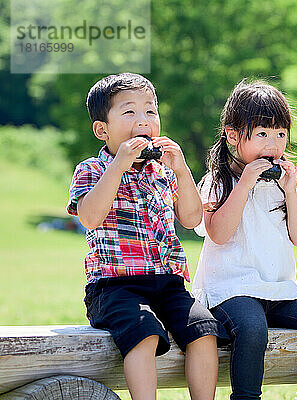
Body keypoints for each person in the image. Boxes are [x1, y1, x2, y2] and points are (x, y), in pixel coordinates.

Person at [67, 73, 226, 400]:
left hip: (167, 283)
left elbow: (192, 218)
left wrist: (182, 170)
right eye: (129, 112)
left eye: (150, 111)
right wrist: (120, 165)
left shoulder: (164, 172)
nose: (142, 119)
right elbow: (90, 216)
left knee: (204, 331)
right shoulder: (92, 170)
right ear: (103, 130)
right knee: (145, 332)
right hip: (114, 287)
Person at [192, 79, 297, 400]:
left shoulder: (281, 184)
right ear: (234, 135)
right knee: (252, 330)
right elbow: (219, 234)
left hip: (280, 290)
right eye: (262, 134)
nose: (273, 144)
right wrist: (244, 184)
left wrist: (292, 191)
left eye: (280, 134)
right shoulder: (217, 181)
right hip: (231, 289)